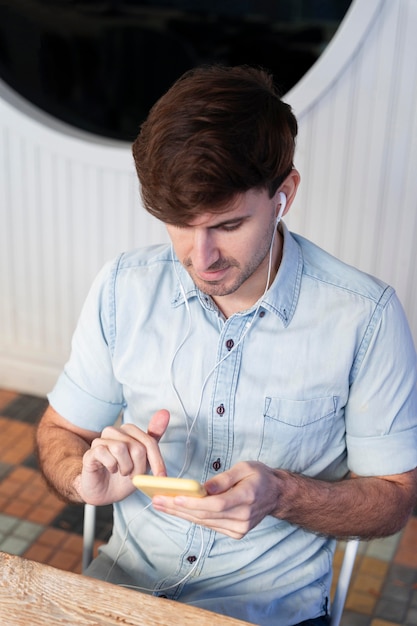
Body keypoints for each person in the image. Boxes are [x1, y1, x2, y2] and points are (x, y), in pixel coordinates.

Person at [36, 65, 417, 626]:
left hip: (266, 611)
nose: (200, 257)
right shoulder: (124, 286)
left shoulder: (367, 317)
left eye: (228, 224)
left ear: (284, 194)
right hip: (126, 591)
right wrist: (83, 477)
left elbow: (394, 499)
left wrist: (282, 494)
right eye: (179, 225)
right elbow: (60, 431)